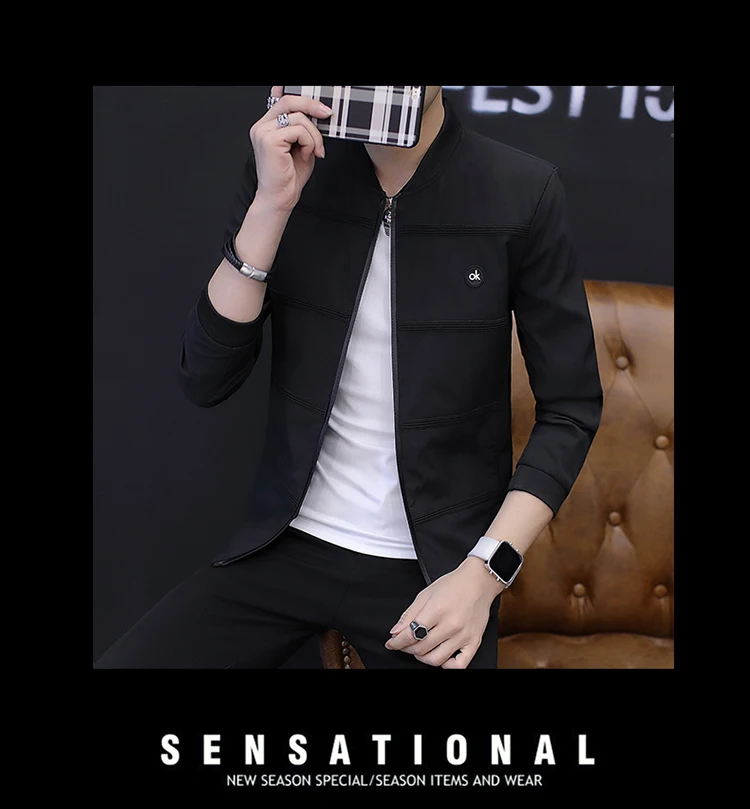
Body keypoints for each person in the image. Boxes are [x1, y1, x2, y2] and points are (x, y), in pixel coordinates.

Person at [94, 85, 603, 669]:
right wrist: (271, 206)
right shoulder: (288, 173)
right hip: (288, 543)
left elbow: (570, 409)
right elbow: (206, 376)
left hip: (432, 571)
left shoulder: (522, 191)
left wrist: (484, 573)